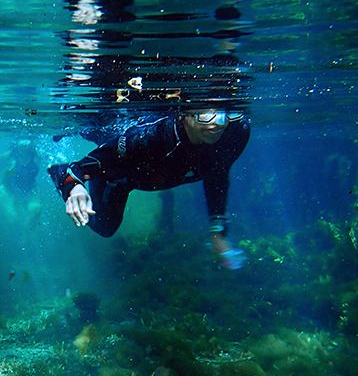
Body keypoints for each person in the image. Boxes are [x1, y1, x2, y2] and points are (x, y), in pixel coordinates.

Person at [48, 108, 249, 270]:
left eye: (227, 112)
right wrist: (74, 187)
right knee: (105, 227)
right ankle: (58, 169)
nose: (219, 122)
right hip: (118, 175)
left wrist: (217, 231)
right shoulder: (150, 138)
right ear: (184, 114)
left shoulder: (236, 131)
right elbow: (86, 166)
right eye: (206, 114)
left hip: (147, 173)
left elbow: (218, 174)